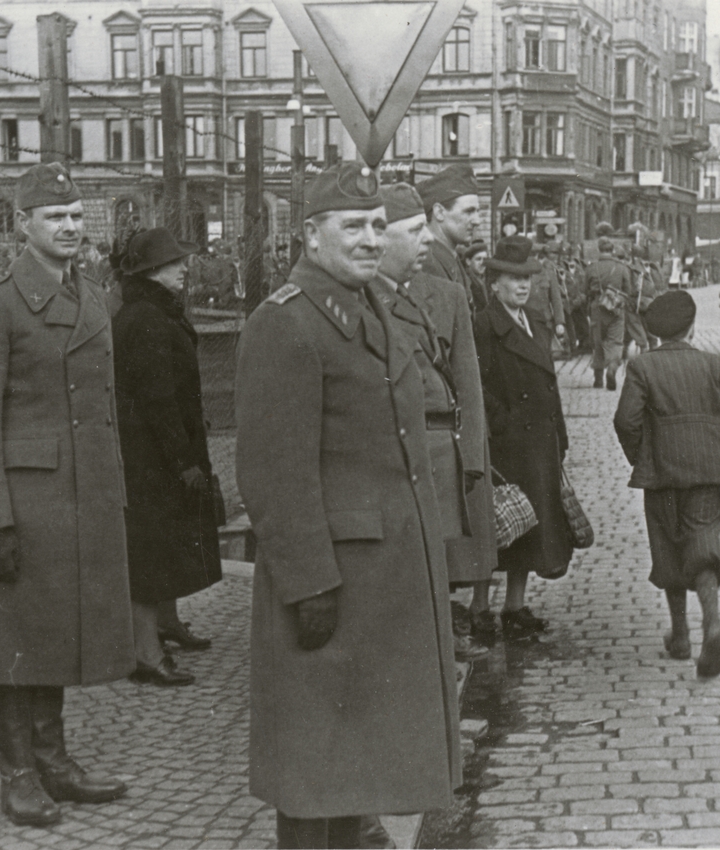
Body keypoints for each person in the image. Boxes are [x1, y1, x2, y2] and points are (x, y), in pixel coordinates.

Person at [235, 162, 461, 849]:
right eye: (351, 226)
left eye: (374, 225)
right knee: (314, 765)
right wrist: (307, 584)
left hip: (381, 574)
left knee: (351, 755)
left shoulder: (370, 310)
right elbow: (274, 472)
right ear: (310, 235)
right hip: (333, 578)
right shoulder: (288, 324)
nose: (368, 239)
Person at [0, 162, 134, 827]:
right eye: (54, 217)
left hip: (79, 496)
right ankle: (18, 772)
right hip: (25, 501)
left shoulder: (91, 293)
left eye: (78, 216)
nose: (69, 227)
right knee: (15, 638)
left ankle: (55, 761)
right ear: (22, 225)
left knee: (53, 629)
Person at [370, 184, 489, 662]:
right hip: (398, 448)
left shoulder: (446, 294)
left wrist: (474, 456)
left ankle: (439, 647)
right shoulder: (363, 297)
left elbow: (468, 381)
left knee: (440, 560)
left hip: (442, 447)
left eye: (425, 229)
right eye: (415, 230)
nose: (426, 241)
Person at [613, 290, 720, 678]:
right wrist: (719, 435)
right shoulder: (712, 364)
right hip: (705, 473)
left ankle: (680, 636)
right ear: (693, 329)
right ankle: (712, 621)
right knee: (703, 543)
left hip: (660, 474)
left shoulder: (642, 367)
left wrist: (642, 455)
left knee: (666, 544)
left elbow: (625, 421)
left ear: (656, 333)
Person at [111, 227, 222, 687]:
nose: (185, 268)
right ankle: (145, 652)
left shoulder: (154, 311)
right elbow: (158, 399)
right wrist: (183, 461)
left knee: (170, 540)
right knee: (151, 552)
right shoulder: (147, 318)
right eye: (175, 263)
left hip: (160, 451)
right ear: (152, 272)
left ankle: (166, 624)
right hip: (151, 456)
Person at [472, 236, 573, 639]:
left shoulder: (534, 320)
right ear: (493, 283)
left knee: (530, 525)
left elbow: (548, 384)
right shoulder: (484, 325)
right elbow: (475, 383)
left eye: (527, 278)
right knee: (496, 525)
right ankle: (480, 607)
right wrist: (505, 421)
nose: (523, 285)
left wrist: (559, 434)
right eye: (513, 279)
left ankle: (515, 606)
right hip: (507, 443)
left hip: (539, 440)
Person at [418, 163, 481, 296]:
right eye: (469, 211)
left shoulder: (449, 258)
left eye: (477, 212)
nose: (477, 221)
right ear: (439, 212)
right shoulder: (428, 265)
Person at [585, 237, 634, 390]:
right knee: (616, 342)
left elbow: (585, 290)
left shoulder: (592, 268)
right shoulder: (621, 267)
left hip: (597, 309)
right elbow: (629, 291)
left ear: (599, 250)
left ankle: (598, 380)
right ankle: (612, 369)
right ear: (612, 251)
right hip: (616, 309)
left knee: (598, 343)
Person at [526, 242, 567, 356]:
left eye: (537, 257)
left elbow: (556, 299)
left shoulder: (548, 274)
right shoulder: (520, 275)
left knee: (545, 355)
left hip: (544, 322)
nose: (534, 260)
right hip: (524, 321)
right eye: (530, 256)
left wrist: (559, 322)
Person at [462, 240, 489, 311]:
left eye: (485, 259)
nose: (482, 263)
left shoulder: (487, 280)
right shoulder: (465, 282)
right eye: (478, 259)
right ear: (468, 261)